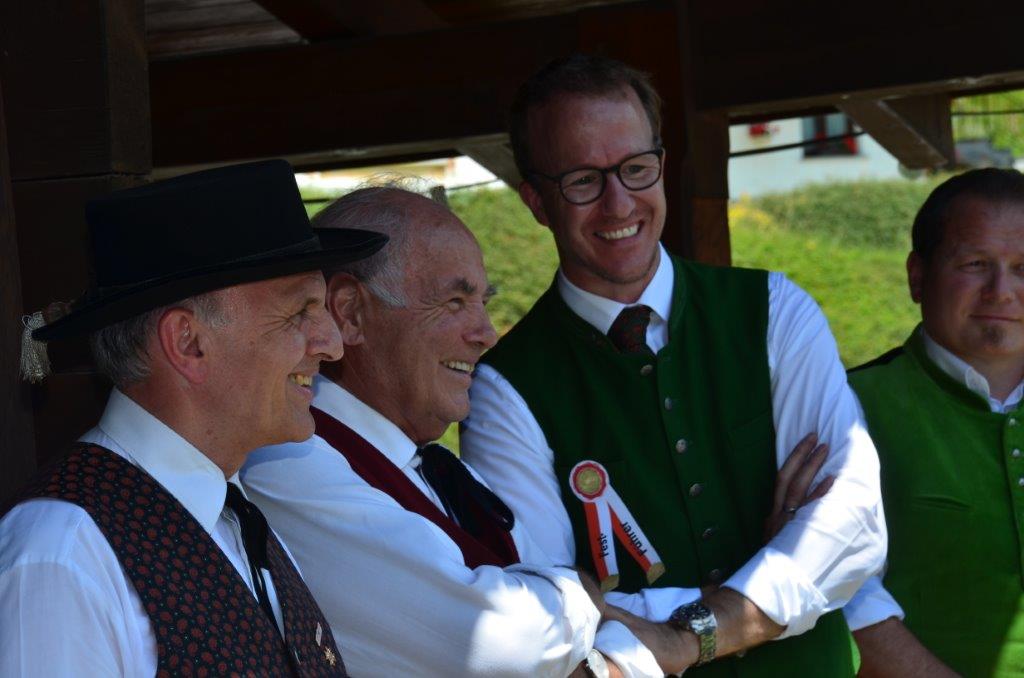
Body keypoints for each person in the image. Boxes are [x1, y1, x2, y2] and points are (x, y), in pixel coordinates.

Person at [242, 185, 830, 677]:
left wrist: (713, 616)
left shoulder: (439, 471)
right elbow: (499, 641)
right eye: (455, 302)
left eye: (483, 302)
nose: (486, 333)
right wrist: (584, 603)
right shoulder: (289, 462)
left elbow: (551, 617)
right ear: (350, 313)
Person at [460, 54, 887, 675]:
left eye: (636, 168)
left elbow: (852, 525)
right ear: (536, 201)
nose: (618, 203)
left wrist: (682, 634)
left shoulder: (775, 309)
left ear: (661, 164)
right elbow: (548, 608)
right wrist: (771, 578)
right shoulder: (504, 386)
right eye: (582, 180)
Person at [0, 160, 386, 676]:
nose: (332, 345)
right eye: (299, 312)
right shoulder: (61, 555)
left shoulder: (236, 518)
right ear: (188, 343)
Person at [843, 168, 1024, 677]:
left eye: (1022, 268)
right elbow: (837, 588)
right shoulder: (848, 407)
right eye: (975, 264)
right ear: (917, 276)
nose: (1001, 291)